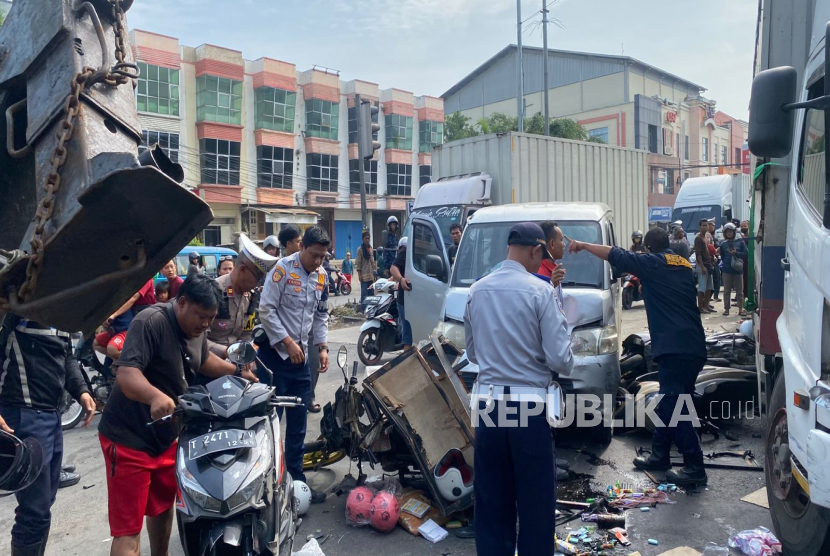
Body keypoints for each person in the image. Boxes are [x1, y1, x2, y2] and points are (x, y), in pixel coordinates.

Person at [98, 275, 258, 556]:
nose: (206, 324)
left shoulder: (196, 331)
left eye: (210, 319)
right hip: (128, 439)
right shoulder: (151, 321)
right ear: (181, 302)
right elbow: (126, 373)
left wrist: (237, 373)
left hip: (167, 435)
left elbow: (204, 358)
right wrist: (154, 396)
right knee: (128, 530)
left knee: (161, 509)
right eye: (201, 316)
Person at [465, 222, 573, 556]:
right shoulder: (540, 292)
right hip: (529, 409)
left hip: (489, 408)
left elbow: (471, 352)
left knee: (492, 504)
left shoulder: (477, 290)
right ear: (535, 250)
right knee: (536, 506)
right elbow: (561, 359)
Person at [569, 228, 708, 486]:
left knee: (676, 406)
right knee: (672, 401)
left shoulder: (653, 263)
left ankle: (694, 465)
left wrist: (583, 245)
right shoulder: (682, 265)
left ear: (647, 248)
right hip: (693, 346)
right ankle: (659, 455)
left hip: (675, 347)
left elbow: (615, 254)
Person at [0, 314, 96, 556]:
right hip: (23, 417)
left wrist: (82, 391)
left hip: (52, 417)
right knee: (35, 511)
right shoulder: (12, 316)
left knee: (43, 506)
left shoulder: (61, 314)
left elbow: (67, 357)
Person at [259, 226, 330, 504]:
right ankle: (268, 483)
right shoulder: (282, 270)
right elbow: (266, 309)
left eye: (323, 257)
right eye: (314, 255)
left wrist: (322, 348)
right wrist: (287, 342)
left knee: (299, 423)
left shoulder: (322, 277)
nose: (318, 262)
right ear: (301, 247)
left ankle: (297, 481)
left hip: (301, 361)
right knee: (270, 422)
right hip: (274, 358)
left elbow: (321, 315)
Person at [207, 234, 278, 361]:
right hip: (208, 361)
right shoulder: (213, 290)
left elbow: (246, 336)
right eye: (259, 278)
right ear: (243, 269)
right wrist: (227, 352)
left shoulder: (250, 297)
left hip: (235, 361)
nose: (259, 283)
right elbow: (196, 340)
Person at [719, 223, 747, 317]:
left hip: (738, 271)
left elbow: (745, 254)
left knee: (740, 291)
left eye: (731, 231)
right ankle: (726, 309)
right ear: (724, 233)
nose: (729, 233)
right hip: (727, 271)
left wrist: (736, 253)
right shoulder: (723, 244)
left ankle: (740, 309)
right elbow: (722, 257)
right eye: (727, 232)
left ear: (734, 232)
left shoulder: (740, 242)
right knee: (727, 291)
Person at [390, 237, 413, 351]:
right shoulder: (406, 250)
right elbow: (393, 268)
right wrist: (401, 279)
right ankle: (407, 361)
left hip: (418, 299)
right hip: (405, 299)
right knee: (408, 335)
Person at [537, 221, 567, 307]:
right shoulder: (540, 273)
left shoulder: (553, 269)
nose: (564, 245)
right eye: (561, 240)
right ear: (552, 244)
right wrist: (551, 285)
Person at [694, 219, 715, 314]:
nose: (705, 227)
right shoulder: (698, 238)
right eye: (703, 225)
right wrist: (702, 267)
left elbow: (708, 251)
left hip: (708, 264)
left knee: (709, 288)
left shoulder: (706, 237)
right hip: (702, 266)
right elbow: (698, 254)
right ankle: (700, 307)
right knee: (702, 288)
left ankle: (706, 306)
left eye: (706, 225)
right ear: (700, 227)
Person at [355, 231, 377, 303]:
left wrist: (375, 273)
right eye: (366, 238)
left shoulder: (370, 249)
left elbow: (373, 262)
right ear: (362, 239)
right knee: (364, 295)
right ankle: (363, 311)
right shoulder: (360, 250)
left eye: (368, 238)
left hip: (371, 276)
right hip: (364, 277)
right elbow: (358, 263)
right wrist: (359, 275)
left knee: (371, 295)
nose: (367, 240)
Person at [707, 220, 721, 302]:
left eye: (712, 225)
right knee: (710, 280)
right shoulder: (705, 237)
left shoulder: (715, 238)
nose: (711, 227)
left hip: (715, 260)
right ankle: (709, 297)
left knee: (717, 278)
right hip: (709, 260)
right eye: (709, 225)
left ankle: (715, 295)